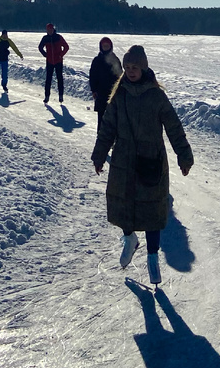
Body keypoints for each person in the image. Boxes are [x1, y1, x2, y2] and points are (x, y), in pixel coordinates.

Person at [91, 45, 193, 286]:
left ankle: (152, 258)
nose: (130, 71)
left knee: (151, 212)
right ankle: (129, 239)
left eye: (134, 67)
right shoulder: (120, 94)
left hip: (151, 160)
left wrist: (184, 155)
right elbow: (107, 126)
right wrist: (99, 154)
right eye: (126, 67)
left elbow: (174, 127)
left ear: (144, 67)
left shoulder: (157, 96)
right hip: (123, 159)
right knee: (122, 203)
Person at [89, 37, 122, 122]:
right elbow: (92, 76)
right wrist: (93, 90)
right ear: (101, 47)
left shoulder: (115, 59)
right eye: (104, 46)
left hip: (113, 92)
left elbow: (120, 75)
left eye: (107, 46)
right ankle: (100, 134)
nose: (106, 47)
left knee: (114, 116)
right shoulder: (97, 60)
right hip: (100, 92)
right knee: (101, 116)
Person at [38, 23, 70, 104]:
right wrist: (45, 55)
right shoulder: (45, 38)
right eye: (48, 30)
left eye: (51, 29)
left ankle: (61, 96)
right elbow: (40, 47)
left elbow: (66, 47)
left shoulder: (58, 37)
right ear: (46, 30)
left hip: (58, 61)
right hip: (49, 62)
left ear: (53, 29)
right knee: (48, 79)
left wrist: (61, 55)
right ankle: (47, 96)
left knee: (60, 79)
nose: (50, 31)